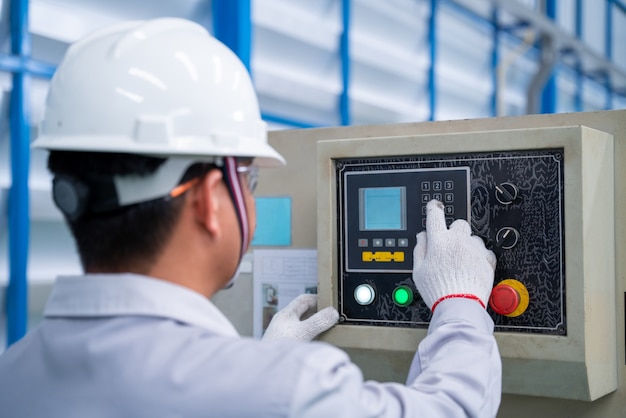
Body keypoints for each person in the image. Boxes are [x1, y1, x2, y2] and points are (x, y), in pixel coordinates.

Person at [0, 18, 501, 417]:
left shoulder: (13, 375)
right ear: (208, 201)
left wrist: (257, 359)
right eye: (249, 180)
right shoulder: (288, 390)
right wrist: (458, 303)